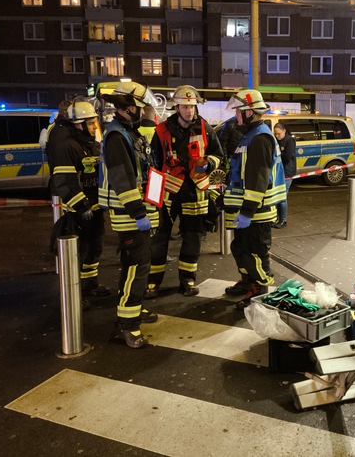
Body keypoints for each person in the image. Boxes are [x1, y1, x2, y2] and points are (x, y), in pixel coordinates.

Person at [98, 82, 161, 349]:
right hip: (129, 214)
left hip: (139, 212)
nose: (145, 112)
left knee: (139, 266)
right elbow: (123, 180)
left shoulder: (127, 132)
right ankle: (128, 325)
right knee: (136, 267)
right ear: (129, 108)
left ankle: (134, 311)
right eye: (141, 107)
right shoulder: (116, 137)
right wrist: (138, 212)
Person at [146, 85, 223, 299]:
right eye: (185, 107)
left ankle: (188, 280)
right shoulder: (161, 130)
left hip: (195, 191)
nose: (189, 111)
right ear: (176, 107)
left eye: (192, 106)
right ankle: (153, 282)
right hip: (168, 192)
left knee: (193, 237)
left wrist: (208, 165)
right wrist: (152, 197)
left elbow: (218, 155)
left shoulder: (204, 128)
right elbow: (154, 164)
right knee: (160, 237)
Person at [222, 89, 286, 308]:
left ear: (250, 112)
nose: (236, 115)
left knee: (256, 253)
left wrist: (248, 211)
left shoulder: (259, 138)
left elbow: (258, 178)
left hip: (257, 212)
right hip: (248, 210)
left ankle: (259, 293)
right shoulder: (250, 135)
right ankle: (248, 282)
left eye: (239, 111)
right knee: (240, 249)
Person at [46, 99, 110, 306]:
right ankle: (76, 294)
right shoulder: (68, 147)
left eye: (95, 122)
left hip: (95, 207)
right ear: (79, 124)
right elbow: (65, 181)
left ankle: (91, 284)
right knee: (79, 251)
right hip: (78, 210)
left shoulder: (92, 144)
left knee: (95, 247)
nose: (94, 127)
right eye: (90, 123)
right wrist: (81, 206)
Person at [272, 122, 296, 229]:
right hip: (279, 172)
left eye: (278, 134)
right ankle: (278, 218)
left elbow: (287, 158)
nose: (277, 136)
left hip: (287, 172)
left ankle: (283, 219)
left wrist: (278, 155)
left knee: (282, 197)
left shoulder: (289, 141)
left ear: (284, 131)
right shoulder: (276, 141)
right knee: (278, 196)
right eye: (275, 134)